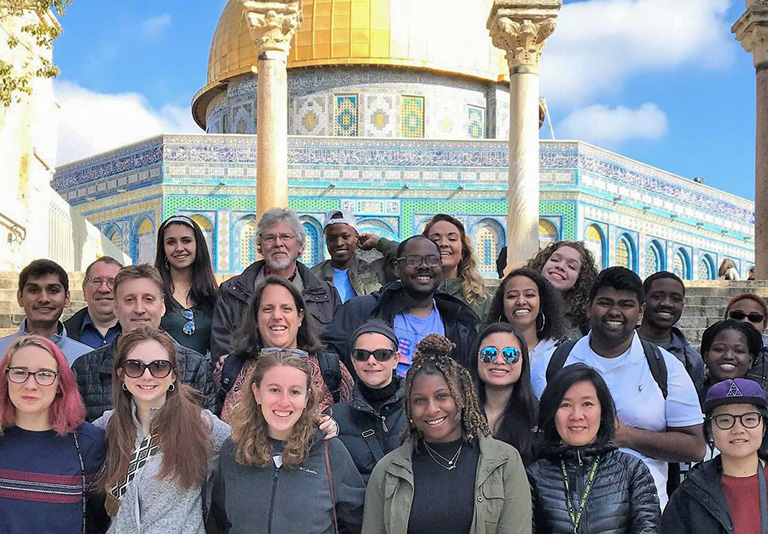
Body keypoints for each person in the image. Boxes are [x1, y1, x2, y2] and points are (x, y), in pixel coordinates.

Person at [531, 267, 705, 506]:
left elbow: (695, 447)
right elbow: (536, 434)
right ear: (588, 305)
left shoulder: (665, 366)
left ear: (641, 311)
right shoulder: (552, 363)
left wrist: (625, 436)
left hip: (643, 511)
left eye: (626, 304)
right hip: (565, 510)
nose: (614, 312)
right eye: (605, 302)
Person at [362, 334, 531, 534]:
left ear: (463, 397)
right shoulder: (387, 471)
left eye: (442, 396)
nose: (431, 409)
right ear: (408, 406)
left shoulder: (504, 462)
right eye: (419, 400)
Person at [211, 349, 365, 533]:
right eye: (274, 390)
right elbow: (220, 518)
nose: (284, 402)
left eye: (294, 391)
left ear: (306, 397)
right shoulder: (233, 450)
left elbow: (355, 521)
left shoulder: (330, 451)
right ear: (257, 392)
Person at [95, 327, 230, 533]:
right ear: (121, 375)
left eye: (159, 367)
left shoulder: (201, 425)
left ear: (173, 375)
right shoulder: (109, 425)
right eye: (134, 366)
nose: (147, 376)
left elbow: (246, 449)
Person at [528, 364, 660, 533]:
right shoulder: (534, 476)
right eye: (565, 405)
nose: (576, 415)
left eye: (587, 404)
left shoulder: (632, 470)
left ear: (602, 411)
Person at [72, 265, 214, 422]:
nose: (139, 309)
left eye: (148, 299)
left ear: (161, 307)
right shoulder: (85, 368)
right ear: (116, 308)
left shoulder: (194, 367)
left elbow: (206, 435)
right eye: (130, 300)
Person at [323, 235, 480, 376]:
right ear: (397, 269)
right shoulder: (362, 310)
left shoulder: (459, 320)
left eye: (432, 260)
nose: (424, 266)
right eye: (413, 260)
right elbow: (327, 358)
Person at [0, 336, 105, 534]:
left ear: (60, 383)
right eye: (20, 372)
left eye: (44, 374)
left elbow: (101, 518)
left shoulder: (88, 444)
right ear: (6, 378)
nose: (30, 385)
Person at [210, 207, 341, 359]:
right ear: (260, 246)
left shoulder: (325, 294)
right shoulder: (232, 292)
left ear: (300, 246)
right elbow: (223, 350)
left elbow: (335, 349)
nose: (278, 243)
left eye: (285, 237)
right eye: (270, 238)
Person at [218, 275, 353, 421]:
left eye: (286, 308)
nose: (277, 316)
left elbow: (352, 423)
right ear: (256, 318)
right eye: (268, 309)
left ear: (300, 317)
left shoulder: (329, 368)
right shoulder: (233, 367)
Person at [662, 378, 768, 533]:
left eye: (749, 419)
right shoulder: (690, 493)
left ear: (763, 427)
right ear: (710, 430)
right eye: (725, 420)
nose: (738, 429)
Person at [360, 214, 493, 318]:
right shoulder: (411, 291)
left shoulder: (480, 300)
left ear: (463, 252)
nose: (443, 243)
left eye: (452, 238)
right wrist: (379, 242)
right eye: (435, 239)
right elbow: (405, 255)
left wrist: (379, 242)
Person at [326, 320, 406, 483]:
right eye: (362, 355)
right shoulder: (334, 417)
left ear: (395, 359)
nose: (371, 361)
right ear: (353, 360)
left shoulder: (418, 410)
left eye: (382, 354)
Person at [468, 322, 540, 465]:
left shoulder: (538, 418)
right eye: (489, 353)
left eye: (510, 354)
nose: (499, 361)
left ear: (523, 361)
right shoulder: (458, 413)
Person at [0, 259, 91, 365]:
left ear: (67, 298)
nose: (43, 299)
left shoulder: (87, 359)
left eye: (53, 291)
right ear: (20, 297)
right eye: (33, 290)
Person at [155, 215, 219, 355]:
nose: (179, 248)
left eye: (186, 241)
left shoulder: (215, 297)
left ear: (198, 245)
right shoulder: (154, 294)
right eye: (171, 242)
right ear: (163, 249)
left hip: (206, 375)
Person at [637, 271, 705, 398]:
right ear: (642, 302)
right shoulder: (621, 346)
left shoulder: (691, 359)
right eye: (657, 296)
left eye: (676, 299)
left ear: (682, 306)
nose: (667, 304)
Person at [483, 267, 567, 365]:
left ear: (541, 303)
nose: (521, 302)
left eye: (529, 295)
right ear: (502, 306)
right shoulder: (488, 352)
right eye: (512, 296)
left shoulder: (560, 352)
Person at [310, 208, 389, 302]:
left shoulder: (374, 270)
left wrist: (378, 243)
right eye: (331, 238)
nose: (339, 243)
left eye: (345, 237)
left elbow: (405, 257)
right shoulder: (314, 275)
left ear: (356, 237)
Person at [526, 240, 599, 338]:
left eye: (571, 266)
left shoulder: (583, 323)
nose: (560, 266)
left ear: (580, 278)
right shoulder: (517, 304)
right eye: (555, 260)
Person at [64, 256, 123, 349]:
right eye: (96, 281)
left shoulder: (140, 332)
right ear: (84, 290)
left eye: (112, 282)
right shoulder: (62, 335)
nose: (104, 289)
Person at [700, 320, 763, 403]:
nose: (728, 356)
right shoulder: (690, 399)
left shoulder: (762, 402)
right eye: (719, 349)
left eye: (738, 351)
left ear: (750, 360)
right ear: (706, 356)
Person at [724, 293, 768, 394]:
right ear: (726, 318)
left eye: (754, 317)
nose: (745, 321)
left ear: (764, 325)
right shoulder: (710, 351)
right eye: (737, 316)